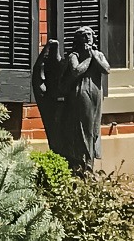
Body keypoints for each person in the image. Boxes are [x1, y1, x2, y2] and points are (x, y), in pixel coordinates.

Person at [32, 26, 109, 174]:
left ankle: (90, 165)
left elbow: (106, 69)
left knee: (94, 128)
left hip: (96, 94)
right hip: (80, 94)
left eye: (89, 35)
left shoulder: (97, 54)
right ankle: (82, 166)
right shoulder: (74, 55)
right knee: (84, 128)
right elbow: (75, 71)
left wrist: (93, 55)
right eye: (84, 36)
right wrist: (88, 58)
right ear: (79, 40)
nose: (87, 38)